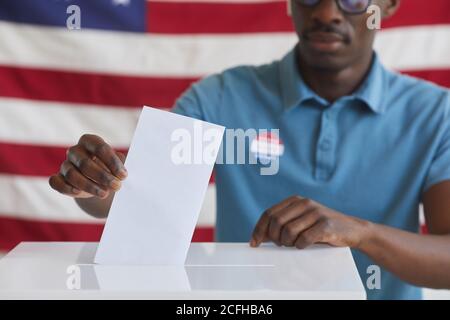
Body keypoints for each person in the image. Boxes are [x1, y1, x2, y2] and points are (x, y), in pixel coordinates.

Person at [49, 0, 450, 299]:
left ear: (390, 4)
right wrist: (94, 185)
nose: (328, 12)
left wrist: (361, 233)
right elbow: (137, 198)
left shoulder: (434, 113)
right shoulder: (221, 97)